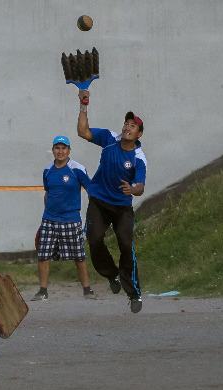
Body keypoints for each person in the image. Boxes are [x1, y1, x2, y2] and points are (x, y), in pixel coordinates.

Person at [76, 89, 147, 313]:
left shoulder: (138, 158)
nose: (127, 127)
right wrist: (84, 104)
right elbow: (83, 132)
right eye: (126, 123)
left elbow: (141, 187)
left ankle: (133, 293)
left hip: (122, 207)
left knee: (126, 245)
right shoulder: (109, 139)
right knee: (94, 238)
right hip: (98, 201)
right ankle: (111, 274)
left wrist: (132, 189)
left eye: (133, 126)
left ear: (139, 134)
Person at [31, 135, 95, 301]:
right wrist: (47, 214)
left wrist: (93, 213)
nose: (60, 151)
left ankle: (87, 290)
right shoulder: (47, 170)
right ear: (53, 150)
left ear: (69, 150)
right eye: (57, 148)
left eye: (63, 148)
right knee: (43, 255)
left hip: (71, 219)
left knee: (79, 256)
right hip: (49, 220)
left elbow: (91, 191)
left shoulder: (77, 169)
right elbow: (48, 193)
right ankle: (43, 291)